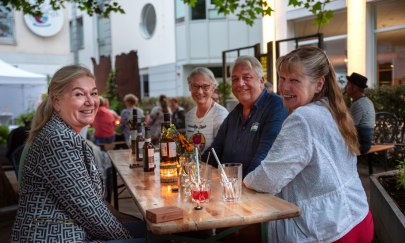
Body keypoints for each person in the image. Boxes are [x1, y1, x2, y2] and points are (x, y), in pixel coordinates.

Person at [243, 46, 373, 242]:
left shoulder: (303, 117)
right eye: (282, 78)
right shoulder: (331, 109)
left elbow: (268, 179)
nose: (284, 87)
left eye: (294, 80)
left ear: (319, 84)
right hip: (358, 218)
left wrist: (242, 182)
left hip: (329, 230)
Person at [10, 65, 145, 242]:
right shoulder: (58, 139)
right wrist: (131, 238)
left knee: (148, 230)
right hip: (57, 236)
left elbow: (93, 203)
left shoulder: (62, 132)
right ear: (56, 101)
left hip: (76, 229)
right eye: (79, 94)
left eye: (94, 93)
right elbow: (90, 211)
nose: (90, 101)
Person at [204, 56, 288, 177]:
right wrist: (197, 169)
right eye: (235, 79)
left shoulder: (276, 106)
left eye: (246, 77)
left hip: (255, 191)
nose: (240, 83)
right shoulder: (235, 113)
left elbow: (264, 157)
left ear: (261, 81)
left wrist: (241, 188)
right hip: (229, 188)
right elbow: (214, 151)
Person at [185, 67, 229, 153]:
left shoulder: (220, 115)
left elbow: (221, 151)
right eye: (195, 86)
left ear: (213, 88)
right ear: (190, 88)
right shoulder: (189, 116)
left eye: (205, 86)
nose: (200, 91)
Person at [345, 72, 376, 154]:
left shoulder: (358, 104)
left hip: (361, 145)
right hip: (365, 143)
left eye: (348, 84)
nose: (346, 87)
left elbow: (350, 128)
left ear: (354, 88)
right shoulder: (366, 101)